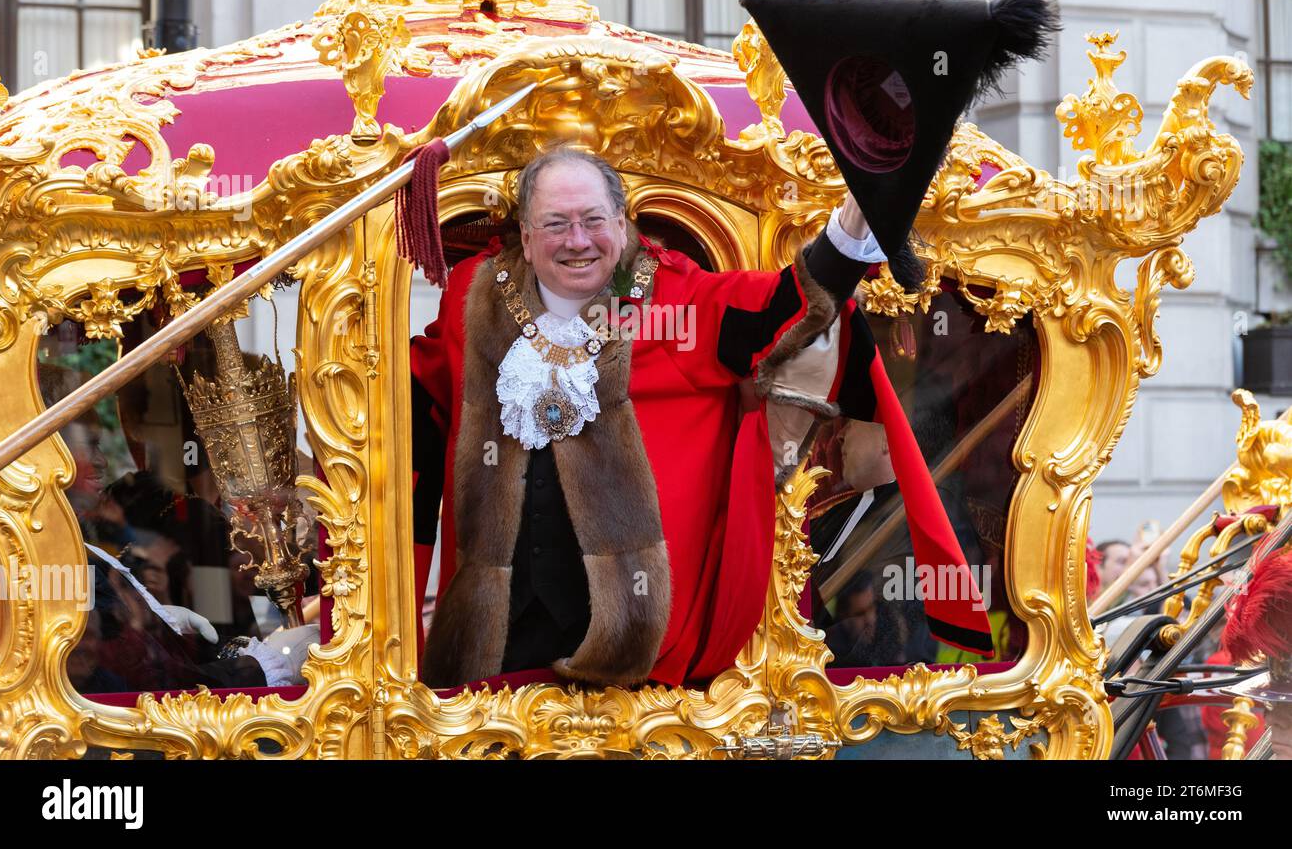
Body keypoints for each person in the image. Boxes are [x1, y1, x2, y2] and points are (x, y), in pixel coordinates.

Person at [411, 149, 990, 688]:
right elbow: (423, 389)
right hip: (495, 637)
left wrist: (859, 210)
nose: (577, 241)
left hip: (631, 644)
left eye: (592, 220)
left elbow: (780, 307)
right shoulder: (474, 295)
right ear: (528, 236)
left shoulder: (675, 298)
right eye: (556, 224)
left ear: (621, 221)